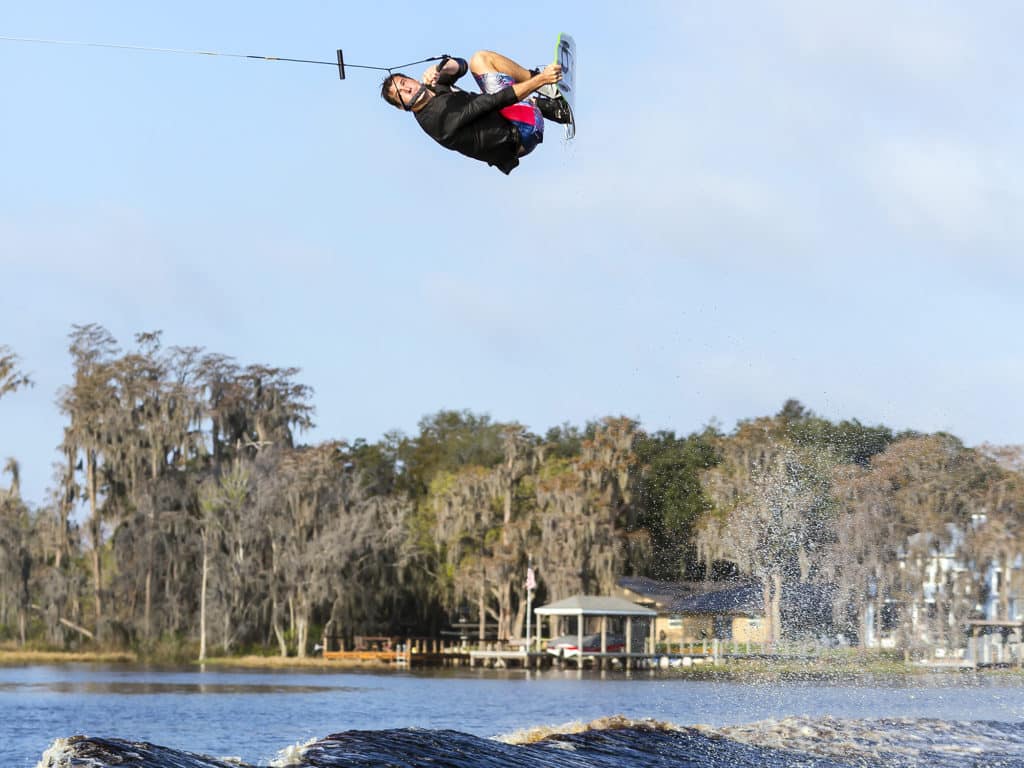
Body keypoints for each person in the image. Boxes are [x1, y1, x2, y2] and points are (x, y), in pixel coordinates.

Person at [380, 50, 571, 174]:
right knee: (497, 91)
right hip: (522, 133)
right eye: (400, 94)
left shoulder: (431, 88)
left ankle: (544, 93)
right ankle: (551, 101)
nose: (407, 90)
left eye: (404, 83)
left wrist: (440, 67)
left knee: (478, 59)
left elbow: (461, 66)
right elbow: (494, 101)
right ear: (401, 107)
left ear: (412, 79)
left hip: (507, 121)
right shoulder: (438, 119)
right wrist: (542, 80)